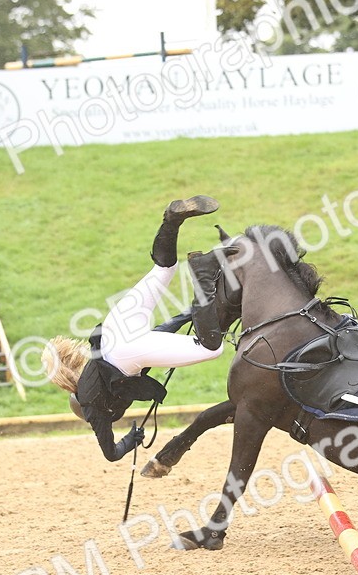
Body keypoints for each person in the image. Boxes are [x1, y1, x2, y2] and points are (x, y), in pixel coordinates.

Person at [43, 196, 227, 462]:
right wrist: (188, 314)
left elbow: (111, 454)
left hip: (128, 350)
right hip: (114, 326)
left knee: (213, 349)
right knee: (165, 269)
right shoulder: (95, 366)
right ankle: (172, 220)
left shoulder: (94, 409)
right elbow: (156, 336)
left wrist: (131, 440)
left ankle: (204, 274)